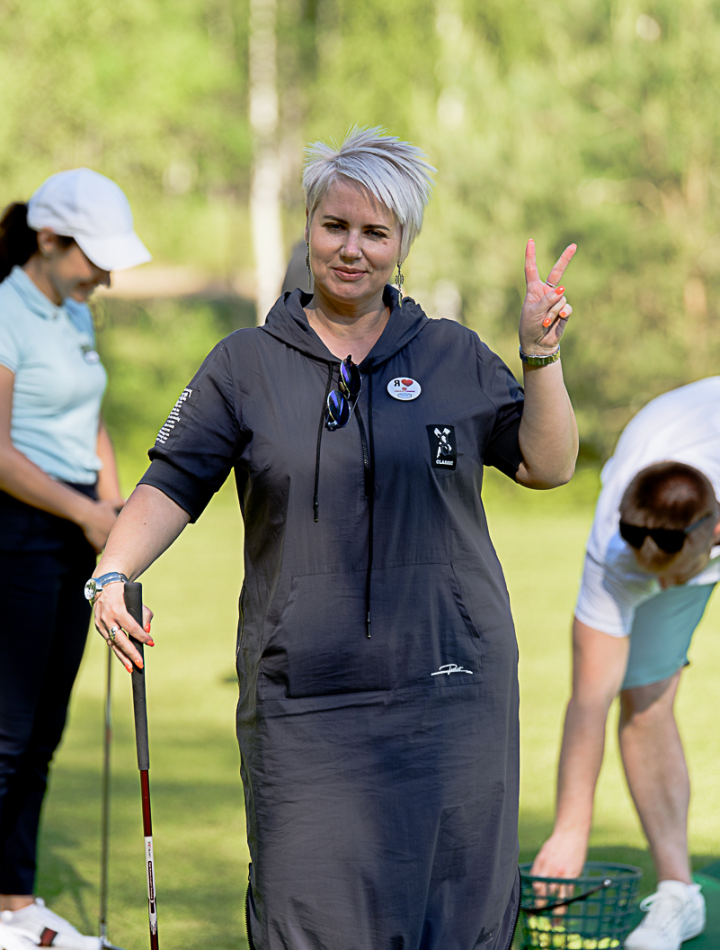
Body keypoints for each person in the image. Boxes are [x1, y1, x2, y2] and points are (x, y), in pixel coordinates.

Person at [91, 126, 578, 950]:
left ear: (402, 247)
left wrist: (540, 356)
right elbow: (171, 483)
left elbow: (547, 464)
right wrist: (110, 573)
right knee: (307, 916)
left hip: (452, 694)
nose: (351, 250)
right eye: (334, 227)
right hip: (304, 701)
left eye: (375, 233)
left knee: (454, 919)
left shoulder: (453, 354)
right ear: (309, 228)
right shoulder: (243, 364)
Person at [0, 169, 151, 950]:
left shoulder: (71, 309)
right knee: (7, 732)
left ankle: (15, 905)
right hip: (15, 530)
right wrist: (89, 512)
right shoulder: (4, 309)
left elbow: (90, 425)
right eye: (95, 257)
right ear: (50, 241)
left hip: (69, 525)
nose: (108, 275)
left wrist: (117, 516)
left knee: (45, 730)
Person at [531, 378, 720, 950]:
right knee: (643, 693)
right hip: (673, 537)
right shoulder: (619, 551)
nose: (659, 585)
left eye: (672, 572)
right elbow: (590, 698)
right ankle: (677, 894)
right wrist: (571, 829)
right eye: (649, 570)